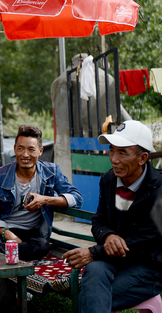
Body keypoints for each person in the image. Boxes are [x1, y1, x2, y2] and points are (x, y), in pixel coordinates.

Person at [63, 120, 162, 313]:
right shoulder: (109, 180)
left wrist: (93, 252)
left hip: (151, 266)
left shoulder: (158, 188)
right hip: (116, 260)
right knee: (95, 270)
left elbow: (147, 241)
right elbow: (99, 221)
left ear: (142, 158)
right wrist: (109, 236)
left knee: (93, 297)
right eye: (111, 150)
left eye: (122, 152)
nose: (114, 159)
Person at [0, 125, 83, 261]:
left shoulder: (51, 172)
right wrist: (7, 234)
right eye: (20, 148)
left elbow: (77, 199)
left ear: (40, 151)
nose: (25, 154)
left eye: (31, 149)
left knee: (42, 246)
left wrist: (45, 200)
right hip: (0, 230)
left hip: (29, 233)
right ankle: (1, 256)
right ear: (15, 148)